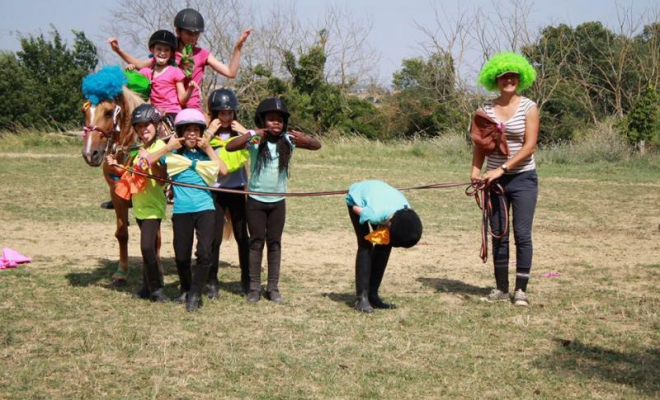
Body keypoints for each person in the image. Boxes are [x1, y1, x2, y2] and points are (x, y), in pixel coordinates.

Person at [226, 98, 322, 303]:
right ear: (262, 121)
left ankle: (273, 287)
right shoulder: (256, 141)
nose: (275, 123)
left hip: (278, 201)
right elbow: (230, 147)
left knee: (275, 243)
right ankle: (253, 288)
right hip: (255, 201)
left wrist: (305, 138)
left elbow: (317, 146)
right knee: (256, 242)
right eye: (270, 119)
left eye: (279, 120)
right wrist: (253, 133)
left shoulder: (288, 141)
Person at [470, 52, 539, 307]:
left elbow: (530, 146)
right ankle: (500, 289)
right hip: (494, 181)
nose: (508, 80)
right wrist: (476, 171)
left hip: (523, 178)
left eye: (513, 76)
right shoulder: (485, 109)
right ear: (495, 80)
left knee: (522, 234)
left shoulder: (529, 107)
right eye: (503, 77)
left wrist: (502, 169)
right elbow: (480, 143)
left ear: (519, 79)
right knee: (499, 233)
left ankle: (520, 290)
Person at [143, 108, 228, 311]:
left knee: (204, 254)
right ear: (181, 132)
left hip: (206, 209)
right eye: (187, 130)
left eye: (196, 130)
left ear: (201, 133)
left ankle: (195, 295)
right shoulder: (173, 155)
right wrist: (167, 147)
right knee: (181, 255)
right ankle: (186, 287)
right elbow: (145, 161)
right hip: (181, 210)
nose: (192, 134)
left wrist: (208, 149)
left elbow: (223, 171)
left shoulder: (207, 154)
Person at [107, 8, 252, 111]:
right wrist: (118, 50)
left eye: (196, 34)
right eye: (189, 33)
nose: (193, 38)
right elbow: (139, 65)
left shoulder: (203, 54)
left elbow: (230, 72)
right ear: (178, 31)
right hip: (166, 108)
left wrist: (238, 48)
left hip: (191, 108)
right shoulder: (167, 52)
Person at [106, 104, 169, 302]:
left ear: (156, 125)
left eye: (147, 125)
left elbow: (161, 178)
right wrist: (115, 166)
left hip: (153, 207)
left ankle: (157, 288)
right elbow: (130, 174)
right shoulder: (137, 151)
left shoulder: (160, 148)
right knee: (146, 247)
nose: (143, 130)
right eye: (139, 126)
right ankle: (145, 287)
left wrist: (150, 160)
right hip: (140, 207)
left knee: (147, 248)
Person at [345, 180, 423, 313]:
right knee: (366, 245)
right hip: (357, 199)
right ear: (389, 225)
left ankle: (372, 294)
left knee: (384, 245)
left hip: (382, 201)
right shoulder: (375, 213)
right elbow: (355, 209)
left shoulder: (406, 211)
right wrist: (374, 222)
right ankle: (361, 298)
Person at [204, 88, 251, 298]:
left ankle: (246, 278)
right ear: (214, 114)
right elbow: (197, 144)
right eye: (222, 113)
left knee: (242, 235)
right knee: (214, 238)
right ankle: (212, 280)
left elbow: (258, 142)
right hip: (215, 190)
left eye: (230, 113)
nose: (226, 117)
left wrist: (244, 131)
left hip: (237, 189)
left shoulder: (239, 133)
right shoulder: (208, 132)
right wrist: (208, 130)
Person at [126, 30, 197, 118]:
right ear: (152, 50)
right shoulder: (147, 72)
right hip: (153, 114)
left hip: (172, 113)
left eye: (166, 50)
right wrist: (129, 70)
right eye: (159, 49)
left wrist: (190, 89)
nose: (162, 53)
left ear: (171, 53)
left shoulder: (176, 71)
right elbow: (134, 84)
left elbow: (182, 100)